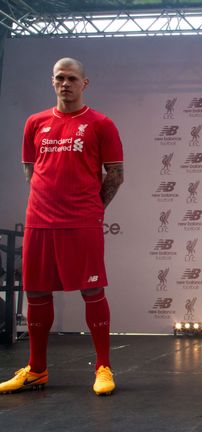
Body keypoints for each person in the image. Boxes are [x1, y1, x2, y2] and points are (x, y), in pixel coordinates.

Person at [0, 58, 124, 396]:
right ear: (52, 82)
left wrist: (92, 209)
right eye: (59, 78)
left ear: (85, 83)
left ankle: (103, 367)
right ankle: (37, 369)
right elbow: (31, 171)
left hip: (82, 222)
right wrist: (48, 202)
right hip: (40, 221)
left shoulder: (101, 124)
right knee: (37, 291)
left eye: (71, 78)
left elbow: (115, 175)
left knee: (92, 290)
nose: (65, 84)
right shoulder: (35, 122)